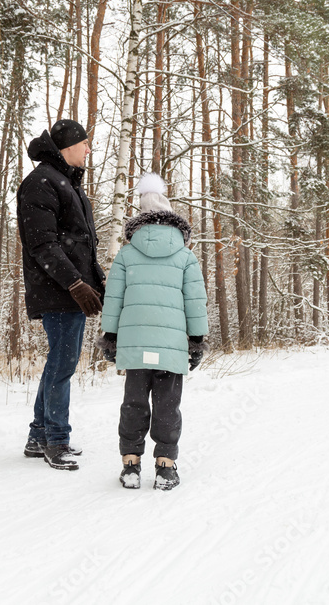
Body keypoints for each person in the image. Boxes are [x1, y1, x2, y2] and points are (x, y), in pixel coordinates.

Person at [95, 173, 208, 490]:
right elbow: (195, 302)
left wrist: (111, 336)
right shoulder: (186, 256)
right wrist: (196, 341)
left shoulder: (126, 255)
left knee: (133, 403)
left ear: (139, 221)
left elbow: (113, 300)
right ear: (171, 219)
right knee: (168, 405)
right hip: (171, 346)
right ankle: (166, 466)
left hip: (135, 345)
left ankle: (130, 464)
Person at [17, 119, 106, 471]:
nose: (88, 150)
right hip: (57, 290)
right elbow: (42, 244)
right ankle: (57, 440)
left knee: (59, 360)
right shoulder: (41, 183)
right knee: (64, 363)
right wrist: (74, 283)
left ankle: (39, 435)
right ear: (68, 146)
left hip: (70, 290)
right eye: (84, 144)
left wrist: (96, 281)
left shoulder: (66, 182)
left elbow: (84, 247)